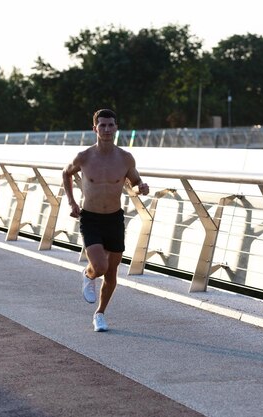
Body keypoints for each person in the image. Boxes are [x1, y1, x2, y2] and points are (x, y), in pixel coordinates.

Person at [62, 109, 149, 332]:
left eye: (111, 125)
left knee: (111, 272)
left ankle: (99, 314)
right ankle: (88, 274)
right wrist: (72, 202)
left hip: (114, 218)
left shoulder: (125, 158)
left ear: (116, 128)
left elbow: (136, 181)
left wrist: (142, 187)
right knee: (100, 266)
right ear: (95, 129)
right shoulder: (84, 157)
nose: (107, 130)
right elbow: (66, 173)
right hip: (90, 218)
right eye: (102, 126)